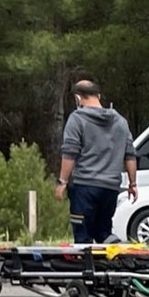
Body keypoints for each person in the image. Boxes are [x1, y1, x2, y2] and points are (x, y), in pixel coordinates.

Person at [55, 79, 138, 244]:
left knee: (83, 236)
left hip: (85, 187)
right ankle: (111, 263)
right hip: (110, 188)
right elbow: (130, 155)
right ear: (98, 96)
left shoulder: (77, 119)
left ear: (78, 98)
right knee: (103, 232)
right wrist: (132, 184)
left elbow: (70, 152)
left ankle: (87, 267)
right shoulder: (121, 122)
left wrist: (62, 181)